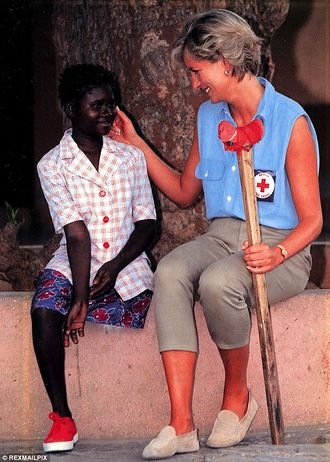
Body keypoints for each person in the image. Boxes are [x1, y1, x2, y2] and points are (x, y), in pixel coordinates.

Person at [109, 8, 323, 460]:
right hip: (220, 236)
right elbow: (186, 192)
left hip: (282, 247)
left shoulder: (291, 122)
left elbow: (313, 222)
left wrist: (278, 252)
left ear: (225, 61)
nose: (193, 84)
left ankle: (236, 398)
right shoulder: (210, 118)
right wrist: (136, 145)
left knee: (219, 281)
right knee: (169, 271)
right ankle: (181, 423)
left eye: (196, 71)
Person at [31, 63, 157, 453]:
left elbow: (149, 226)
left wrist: (115, 265)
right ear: (71, 107)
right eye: (96, 105)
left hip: (125, 262)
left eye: (111, 104)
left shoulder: (130, 158)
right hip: (75, 260)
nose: (107, 112)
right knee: (44, 309)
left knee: (120, 298)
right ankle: (62, 418)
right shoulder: (52, 165)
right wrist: (80, 296)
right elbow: (76, 234)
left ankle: (86, 301)